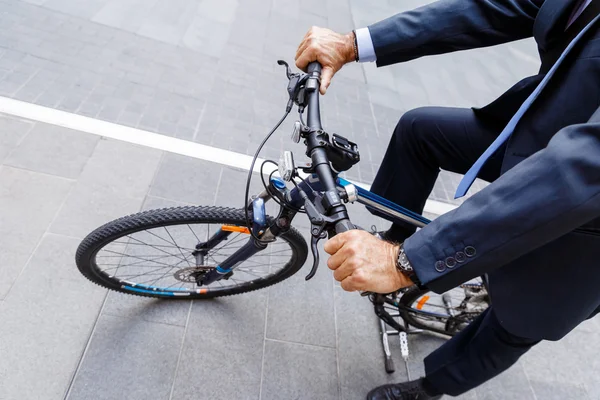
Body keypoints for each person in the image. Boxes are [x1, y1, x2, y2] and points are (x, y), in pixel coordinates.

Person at [295, 0, 600, 399]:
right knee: (420, 132)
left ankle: (427, 389)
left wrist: (409, 262)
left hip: (588, 207)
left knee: (516, 322)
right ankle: (394, 237)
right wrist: (352, 43)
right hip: (544, 133)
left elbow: (585, 166)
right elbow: (494, 9)